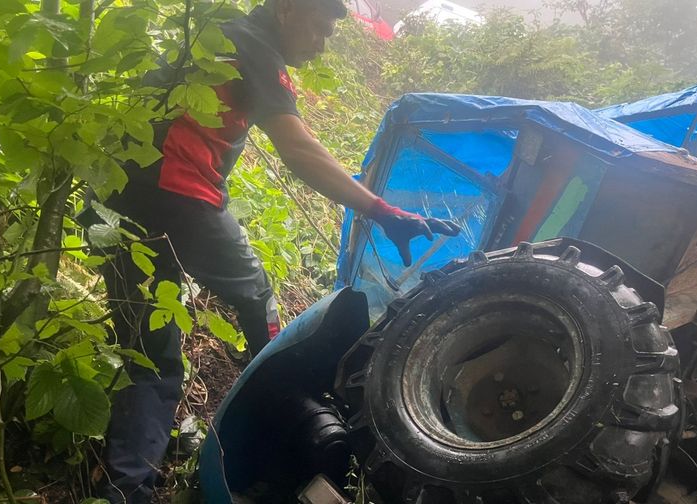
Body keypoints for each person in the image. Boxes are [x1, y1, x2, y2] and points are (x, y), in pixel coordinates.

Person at [93, 0, 460, 501]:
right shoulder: (254, 46)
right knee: (258, 299)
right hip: (180, 195)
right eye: (321, 26)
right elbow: (299, 150)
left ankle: (126, 488)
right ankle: (269, 409)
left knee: (149, 355)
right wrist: (385, 212)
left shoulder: (214, 32)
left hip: (110, 200)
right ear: (287, 9)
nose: (324, 41)